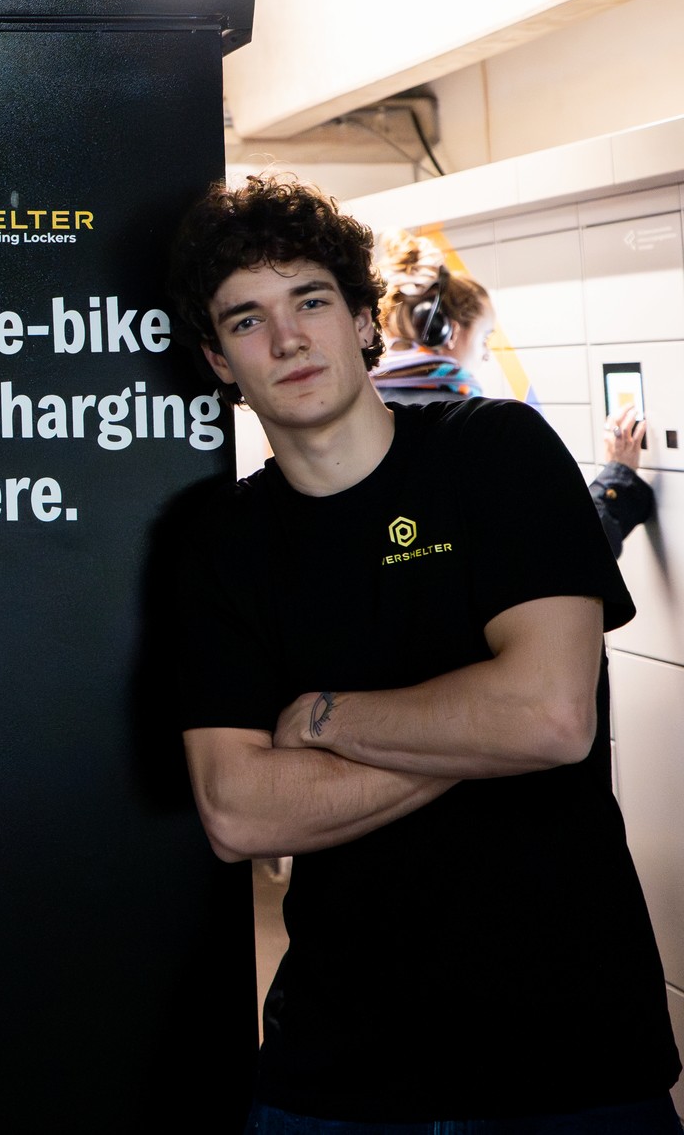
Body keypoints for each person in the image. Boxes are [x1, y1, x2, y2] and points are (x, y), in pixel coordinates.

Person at [159, 177, 681, 1132]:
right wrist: (480, 732)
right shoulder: (223, 539)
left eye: (311, 301)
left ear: (364, 321)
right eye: (247, 320)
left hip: (570, 1054)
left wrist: (324, 720)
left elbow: (553, 719)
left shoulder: (495, 452)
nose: (287, 340)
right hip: (340, 1067)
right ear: (218, 361)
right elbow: (236, 808)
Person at [373, 233, 657, 557]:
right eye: (484, 338)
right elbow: (563, 547)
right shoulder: (480, 430)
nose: (485, 356)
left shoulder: (367, 411)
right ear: (450, 331)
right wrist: (617, 478)